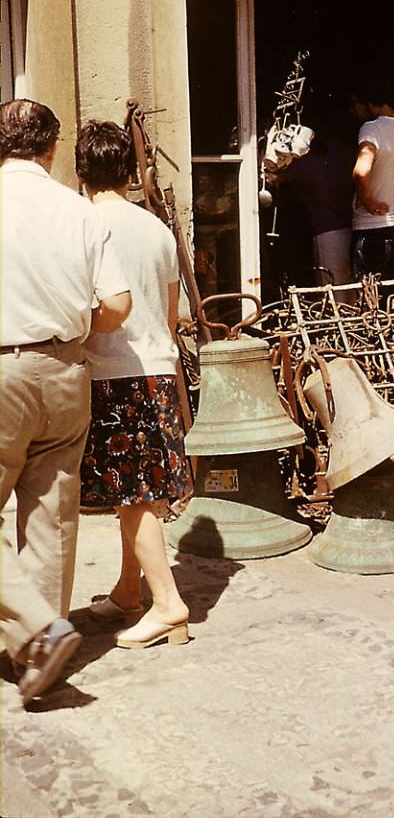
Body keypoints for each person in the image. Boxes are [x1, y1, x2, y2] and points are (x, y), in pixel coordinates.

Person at [0, 99, 132, 707]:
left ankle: (40, 632)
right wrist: (73, 328)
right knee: (51, 513)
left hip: (1, 368)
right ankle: (36, 654)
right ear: (51, 150)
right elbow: (117, 305)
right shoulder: (79, 211)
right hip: (66, 368)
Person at [75, 120, 191, 650]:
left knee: (133, 495)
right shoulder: (156, 228)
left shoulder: (80, 223)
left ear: (80, 172)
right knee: (139, 492)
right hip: (159, 370)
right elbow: (170, 316)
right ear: (129, 172)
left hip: (113, 372)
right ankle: (128, 591)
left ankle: (167, 604)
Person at [350, 82, 394, 281]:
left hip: (369, 227)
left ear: (370, 103)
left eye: (355, 104)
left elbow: (361, 171)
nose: (353, 110)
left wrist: (367, 201)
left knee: (368, 300)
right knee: (392, 298)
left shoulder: (371, 128)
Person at [284, 103, 355, 287]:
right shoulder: (342, 152)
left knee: (332, 285)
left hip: (328, 231)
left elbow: (278, 176)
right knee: (349, 284)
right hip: (352, 225)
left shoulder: (305, 164)